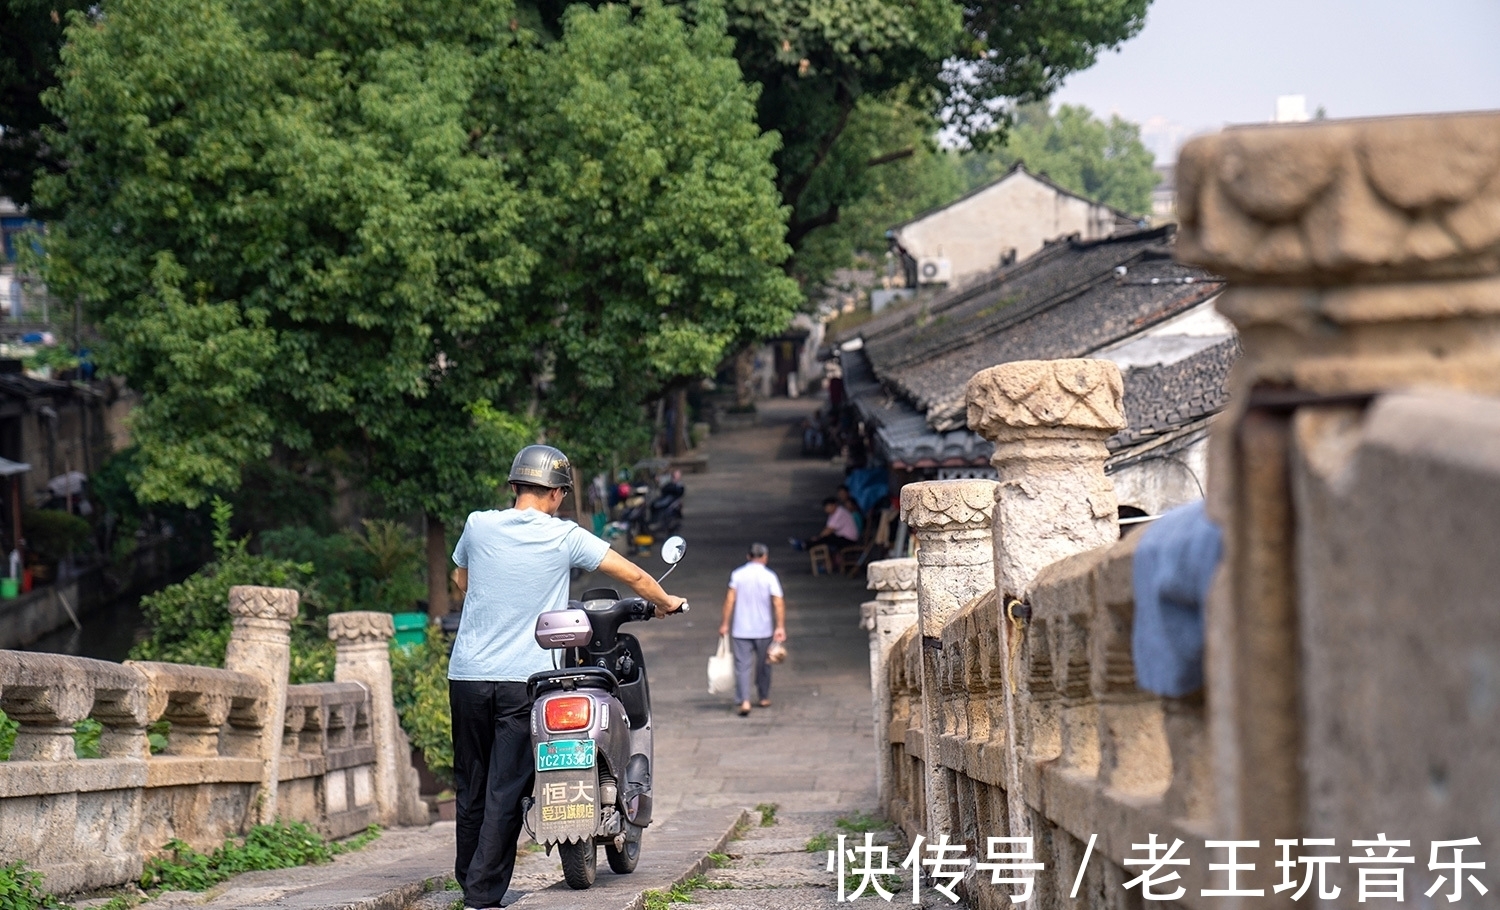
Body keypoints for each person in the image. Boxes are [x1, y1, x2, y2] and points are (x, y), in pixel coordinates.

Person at [447, 444, 686, 910]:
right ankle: (481, 894)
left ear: (514, 486)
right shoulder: (565, 537)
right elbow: (633, 574)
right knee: (506, 786)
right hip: (524, 679)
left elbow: (462, 580)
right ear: (556, 495)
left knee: (470, 783)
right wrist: (665, 602)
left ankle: (468, 881)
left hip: (468, 675)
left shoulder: (477, 524)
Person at [718, 542, 787, 716]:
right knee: (765, 664)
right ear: (765, 557)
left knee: (742, 666)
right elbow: (778, 602)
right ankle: (763, 697)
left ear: (748, 556)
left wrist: (725, 623)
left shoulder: (738, 574)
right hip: (763, 628)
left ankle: (745, 700)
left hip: (741, 628)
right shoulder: (769, 576)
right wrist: (780, 626)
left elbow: (730, 599)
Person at [790, 497, 860, 551]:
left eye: (827, 507)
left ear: (833, 505)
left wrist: (818, 538)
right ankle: (806, 543)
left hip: (849, 540)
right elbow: (828, 528)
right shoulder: (833, 514)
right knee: (826, 538)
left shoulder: (840, 513)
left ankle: (806, 544)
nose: (826, 510)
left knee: (827, 538)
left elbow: (829, 530)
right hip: (842, 537)